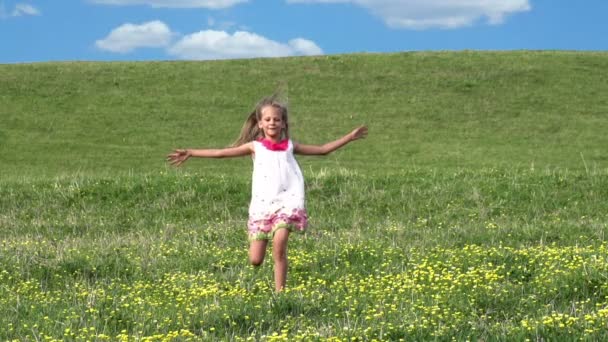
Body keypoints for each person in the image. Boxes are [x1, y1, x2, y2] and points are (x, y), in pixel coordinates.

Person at [167, 96, 367, 292]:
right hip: (262, 206)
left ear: (283, 123)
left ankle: (281, 295)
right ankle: (260, 257)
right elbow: (221, 153)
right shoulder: (255, 147)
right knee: (255, 260)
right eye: (268, 119)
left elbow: (323, 150)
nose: (273, 122)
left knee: (279, 244)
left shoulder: (290, 146)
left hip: (288, 202)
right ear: (260, 123)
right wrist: (191, 152)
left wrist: (349, 137)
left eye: (277, 119)